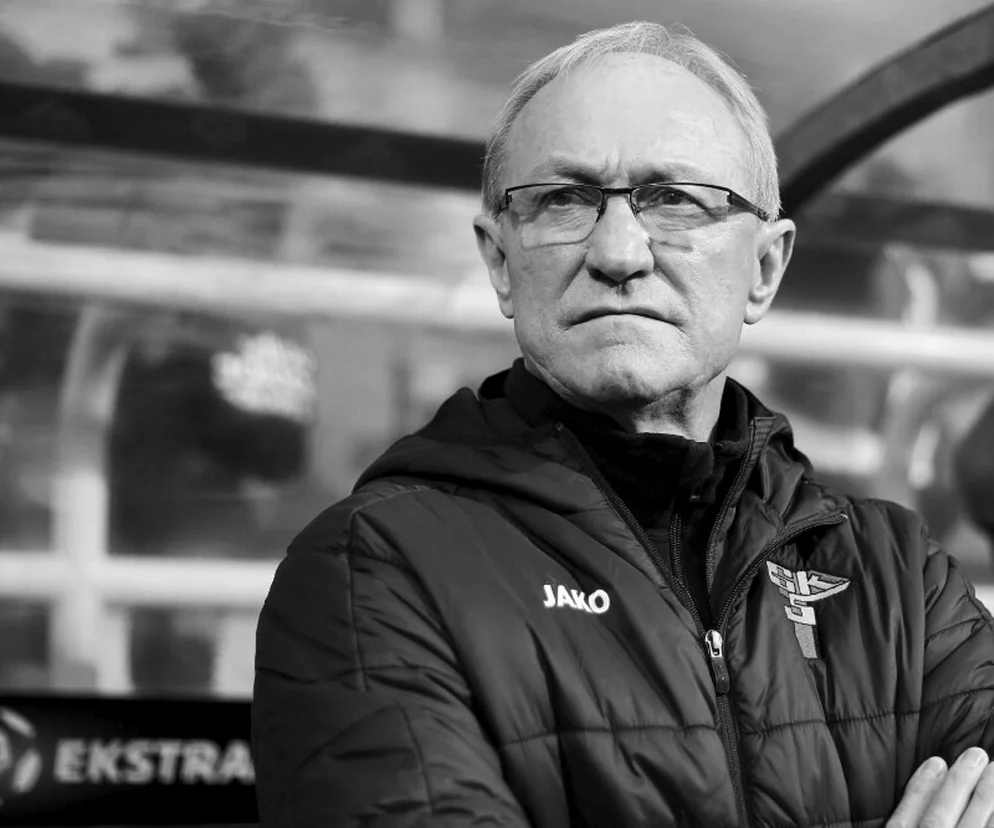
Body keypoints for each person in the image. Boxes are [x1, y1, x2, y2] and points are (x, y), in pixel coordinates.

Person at [252, 21, 994, 827]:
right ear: (500, 262)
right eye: (563, 199)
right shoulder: (372, 572)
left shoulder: (899, 578)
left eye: (674, 199)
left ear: (765, 267)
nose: (619, 252)